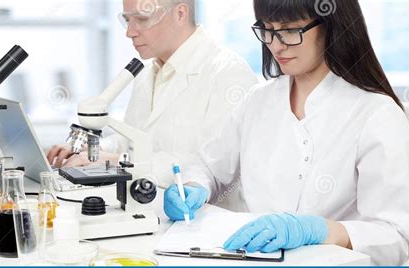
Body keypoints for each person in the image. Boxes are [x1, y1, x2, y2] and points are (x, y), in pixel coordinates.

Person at [163, 0, 409, 266]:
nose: (276, 45)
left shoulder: (376, 114)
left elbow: (395, 237)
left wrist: (318, 230)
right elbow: (210, 167)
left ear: (332, 24)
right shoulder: (257, 101)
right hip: (252, 263)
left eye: (291, 30)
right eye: (268, 29)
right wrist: (192, 187)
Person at [47, 0, 258, 191]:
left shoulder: (228, 72)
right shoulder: (147, 72)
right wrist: (91, 151)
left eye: (141, 19)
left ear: (180, 14)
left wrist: (114, 161)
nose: (129, 32)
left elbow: (214, 169)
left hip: (207, 222)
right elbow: (131, 140)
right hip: (150, 214)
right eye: (127, 20)